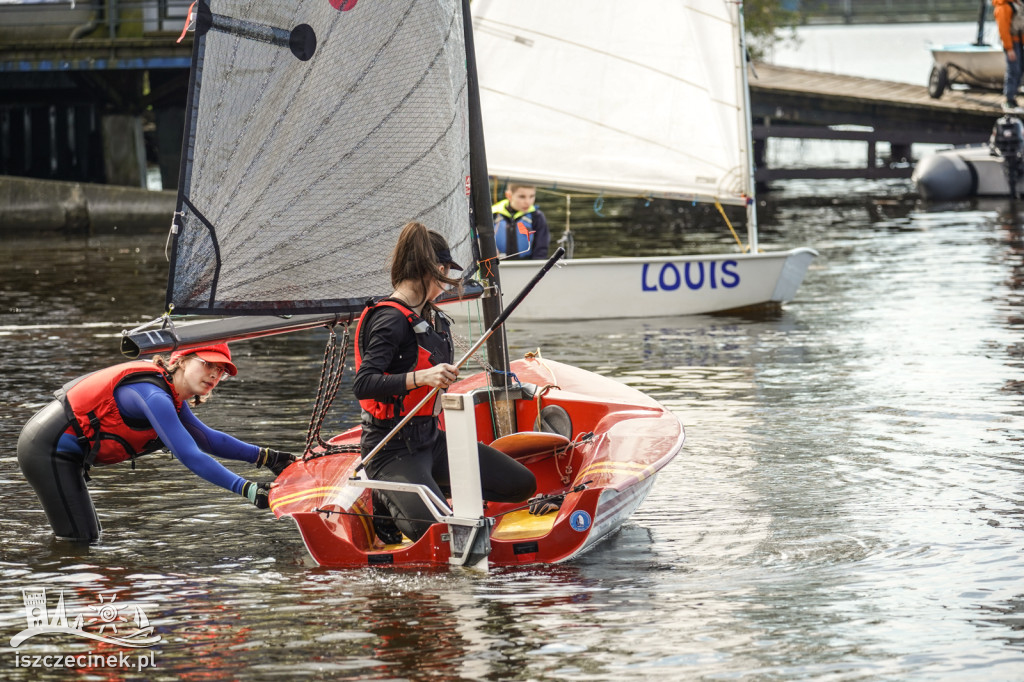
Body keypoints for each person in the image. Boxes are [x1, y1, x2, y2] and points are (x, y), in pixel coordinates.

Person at [353, 221, 537, 543]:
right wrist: (422, 377)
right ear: (434, 270)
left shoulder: (430, 315)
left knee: (522, 484)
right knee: (442, 536)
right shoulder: (389, 319)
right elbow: (364, 383)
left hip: (431, 440)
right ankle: (386, 495)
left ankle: (428, 487)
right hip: (391, 448)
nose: (446, 286)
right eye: (445, 276)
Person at [17, 343, 296, 543]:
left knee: (88, 537)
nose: (214, 374)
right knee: (79, 539)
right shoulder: (155, 396)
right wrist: (247, 490)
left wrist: (270, 458)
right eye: (208, 364)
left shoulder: (171, 395)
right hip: (46, 449)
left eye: (221, 370)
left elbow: (207, 439)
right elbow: (190, 454)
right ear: (183, 360)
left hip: (65, 453)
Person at [491, 182, 550, 260]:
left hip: (527, 267)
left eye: (532, 196)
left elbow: (541, 250)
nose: (528, 202)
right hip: (497, 267)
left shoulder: (537, 217)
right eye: (522, 197)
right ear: (509, 195)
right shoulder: (493, 215)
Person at [995, 0, 1024, 112]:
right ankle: (1009, 100)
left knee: (1020, 69)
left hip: (1020, 42)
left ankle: (1014, 98)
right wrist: (1009, 48)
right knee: (1013, 70)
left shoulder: (1017, 4)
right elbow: (1003, 29)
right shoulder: (1003, 7)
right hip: (1012, 43)